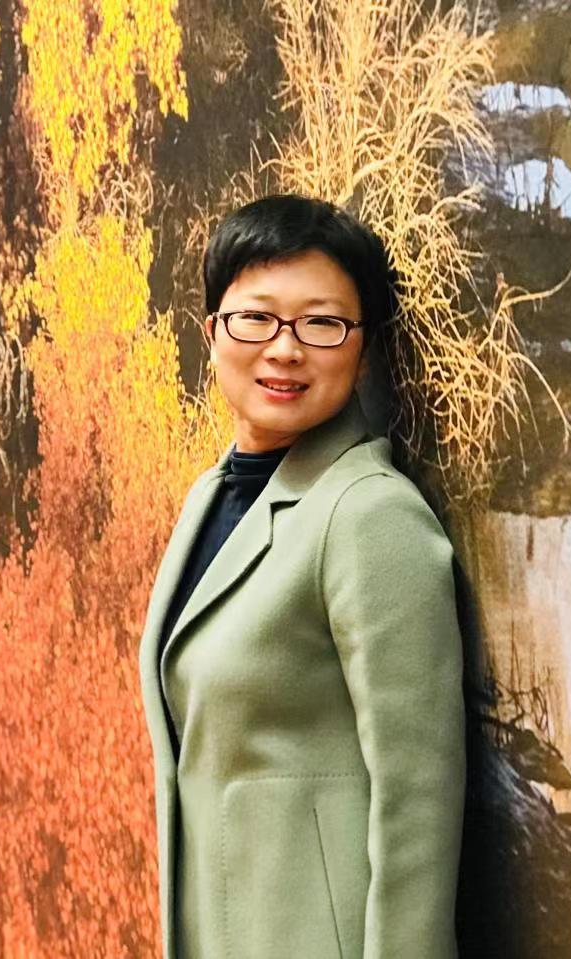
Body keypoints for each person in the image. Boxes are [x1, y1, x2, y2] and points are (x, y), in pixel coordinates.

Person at [137, 194, 466, 959]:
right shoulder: (210, 498)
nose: (285, 350)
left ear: (363, 349)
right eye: (256, 318)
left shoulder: (368, 513)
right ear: (212, 334)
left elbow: (419, 793)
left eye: (321, 323)